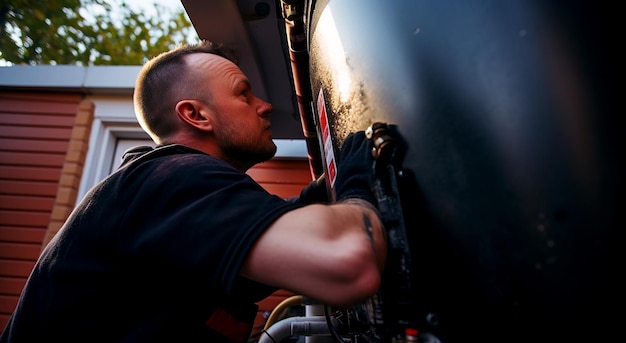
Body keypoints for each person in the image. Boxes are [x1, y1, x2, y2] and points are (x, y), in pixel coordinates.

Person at [0, 41, 387, 343]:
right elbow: (347, 262)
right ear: (196, 115)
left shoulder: (156, 193)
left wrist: (318, 196)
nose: (265, 106)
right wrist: (356, 183)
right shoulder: (170, 178)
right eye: (243, 94)